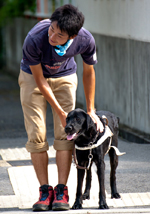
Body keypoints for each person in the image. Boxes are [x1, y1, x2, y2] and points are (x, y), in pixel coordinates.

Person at [19, 4, 104, 212]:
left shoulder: (85, 40)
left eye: (60, 35)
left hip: (65, 77)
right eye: (52, 30)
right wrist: (58, 111)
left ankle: (61, 191)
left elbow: (89, 73)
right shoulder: (34, 38)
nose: (52, 36)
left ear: (72, 36)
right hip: (33, 79)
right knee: (37, 133)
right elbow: (40, 80)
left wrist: (91, 109)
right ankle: (44, 191)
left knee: (67, 133)